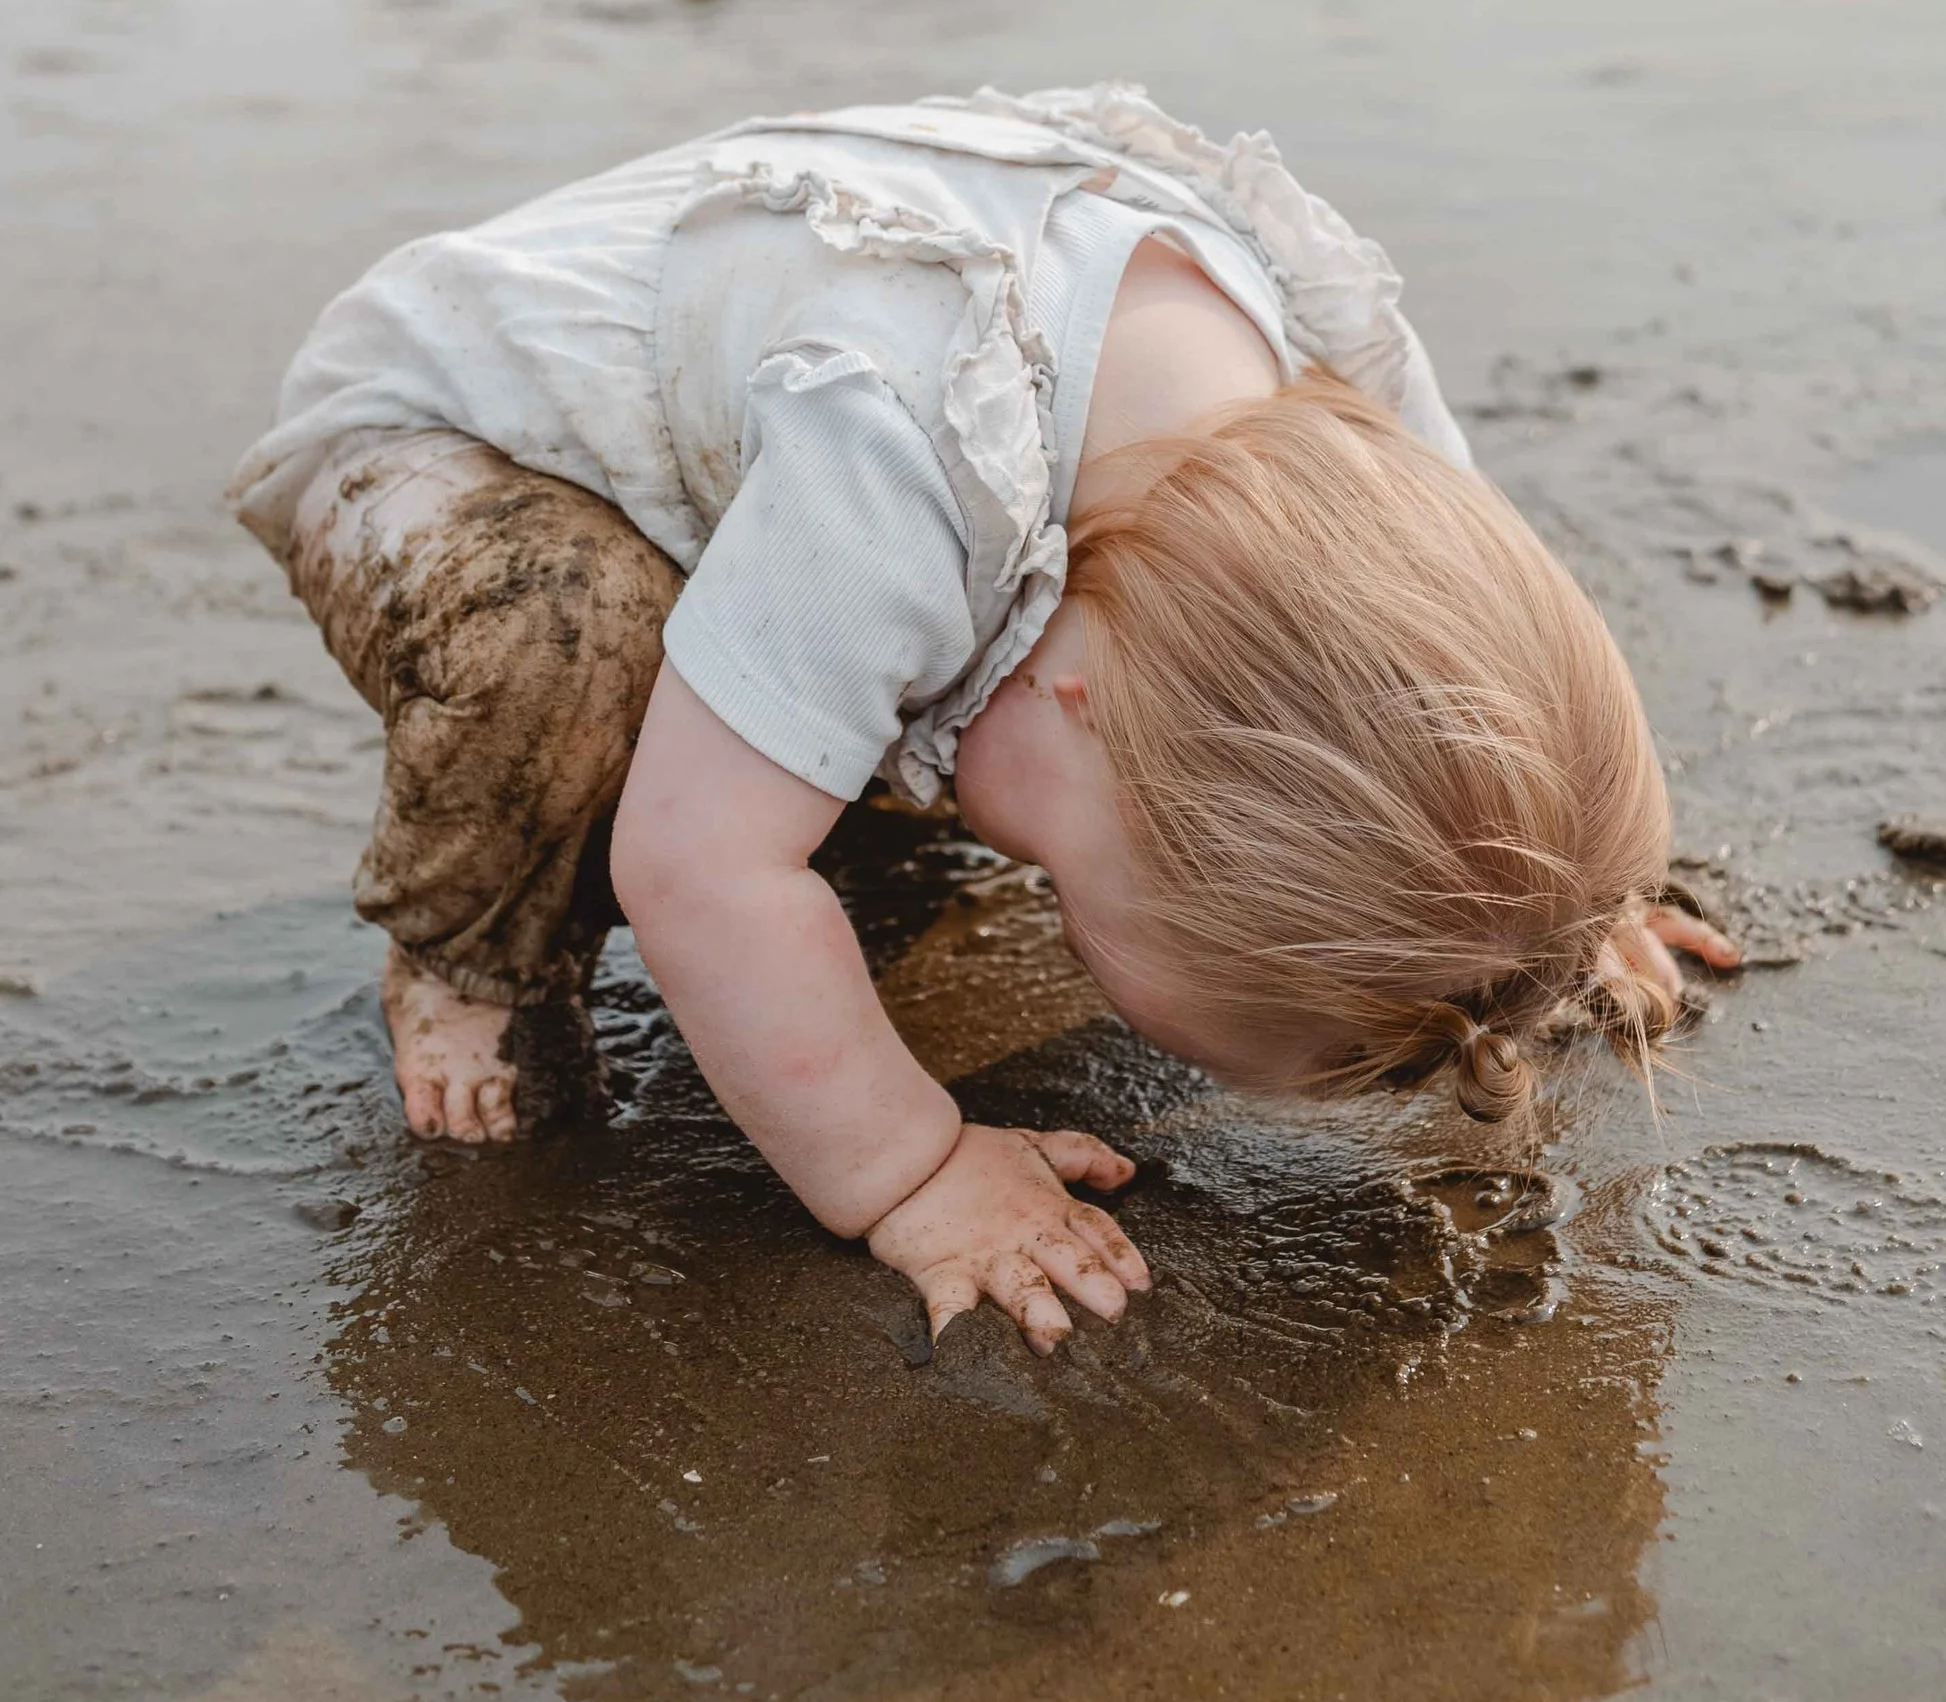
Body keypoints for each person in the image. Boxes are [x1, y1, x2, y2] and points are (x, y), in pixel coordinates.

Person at [231, 84, 1737, 1352]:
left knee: (817, 691)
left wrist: (1532, 897)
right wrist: (910, 1166)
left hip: (797, 381)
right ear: (1081, 699)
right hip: (452, 447)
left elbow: (1470, 652)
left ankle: (792, 705)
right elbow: (697, 875)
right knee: (574, 650)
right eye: (1080, 888)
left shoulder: (1350, 442)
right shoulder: (900, 477)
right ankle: (463, 946)